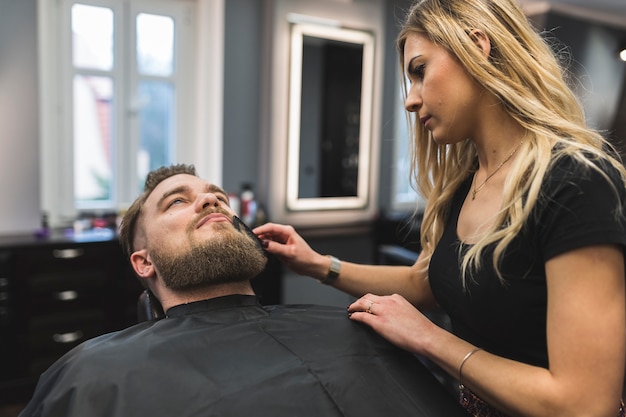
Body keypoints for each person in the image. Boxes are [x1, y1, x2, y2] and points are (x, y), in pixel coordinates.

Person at [253, 0, 626, 416]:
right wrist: (320, 265)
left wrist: (428, 338)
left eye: (419, 71)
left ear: (477, 45)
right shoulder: (465, 185)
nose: (410, 101)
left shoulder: (574, 181)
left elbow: (585, 404)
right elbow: (429, 283)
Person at [18, 164, 469, 417]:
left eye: (218, 196)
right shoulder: (90, 377)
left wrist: (318, 264)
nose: (210, 200)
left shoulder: (361, 327)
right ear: (144, 263)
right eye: (177, 201)